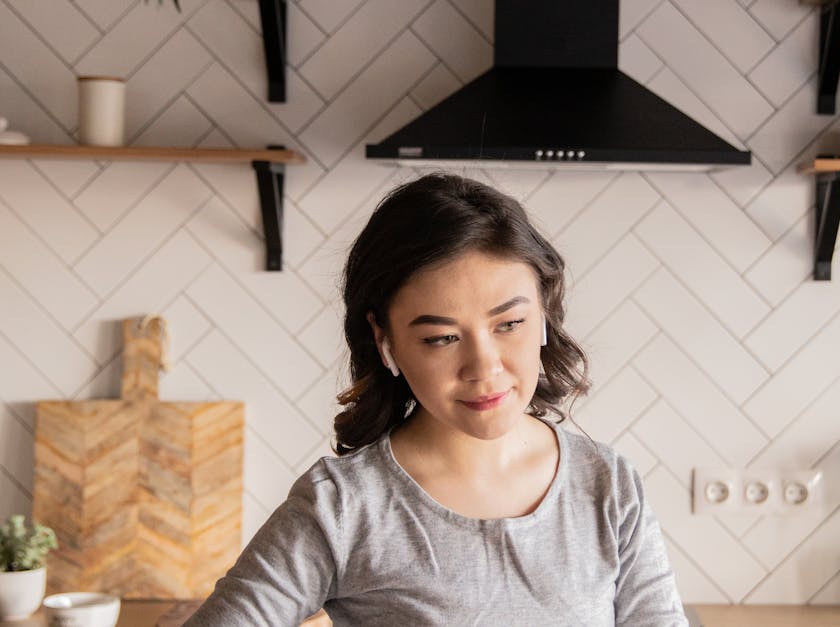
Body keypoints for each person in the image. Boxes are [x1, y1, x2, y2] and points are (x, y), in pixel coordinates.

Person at [183, 173, 687, 626]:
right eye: (441, 338)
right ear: (386, 342)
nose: (484, 367)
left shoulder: (608, 485)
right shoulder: (341, 507)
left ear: (545, 317)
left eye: (510, 324)